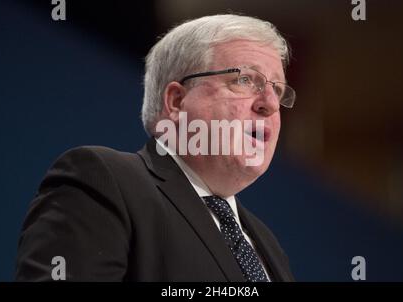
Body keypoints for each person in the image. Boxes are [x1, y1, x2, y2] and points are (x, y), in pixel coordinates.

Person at [15, 14, 296, 282]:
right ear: (176, 101)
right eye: (245, 80)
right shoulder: (104, 182)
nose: (270, 104)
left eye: (278, 90)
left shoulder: (266, 242)